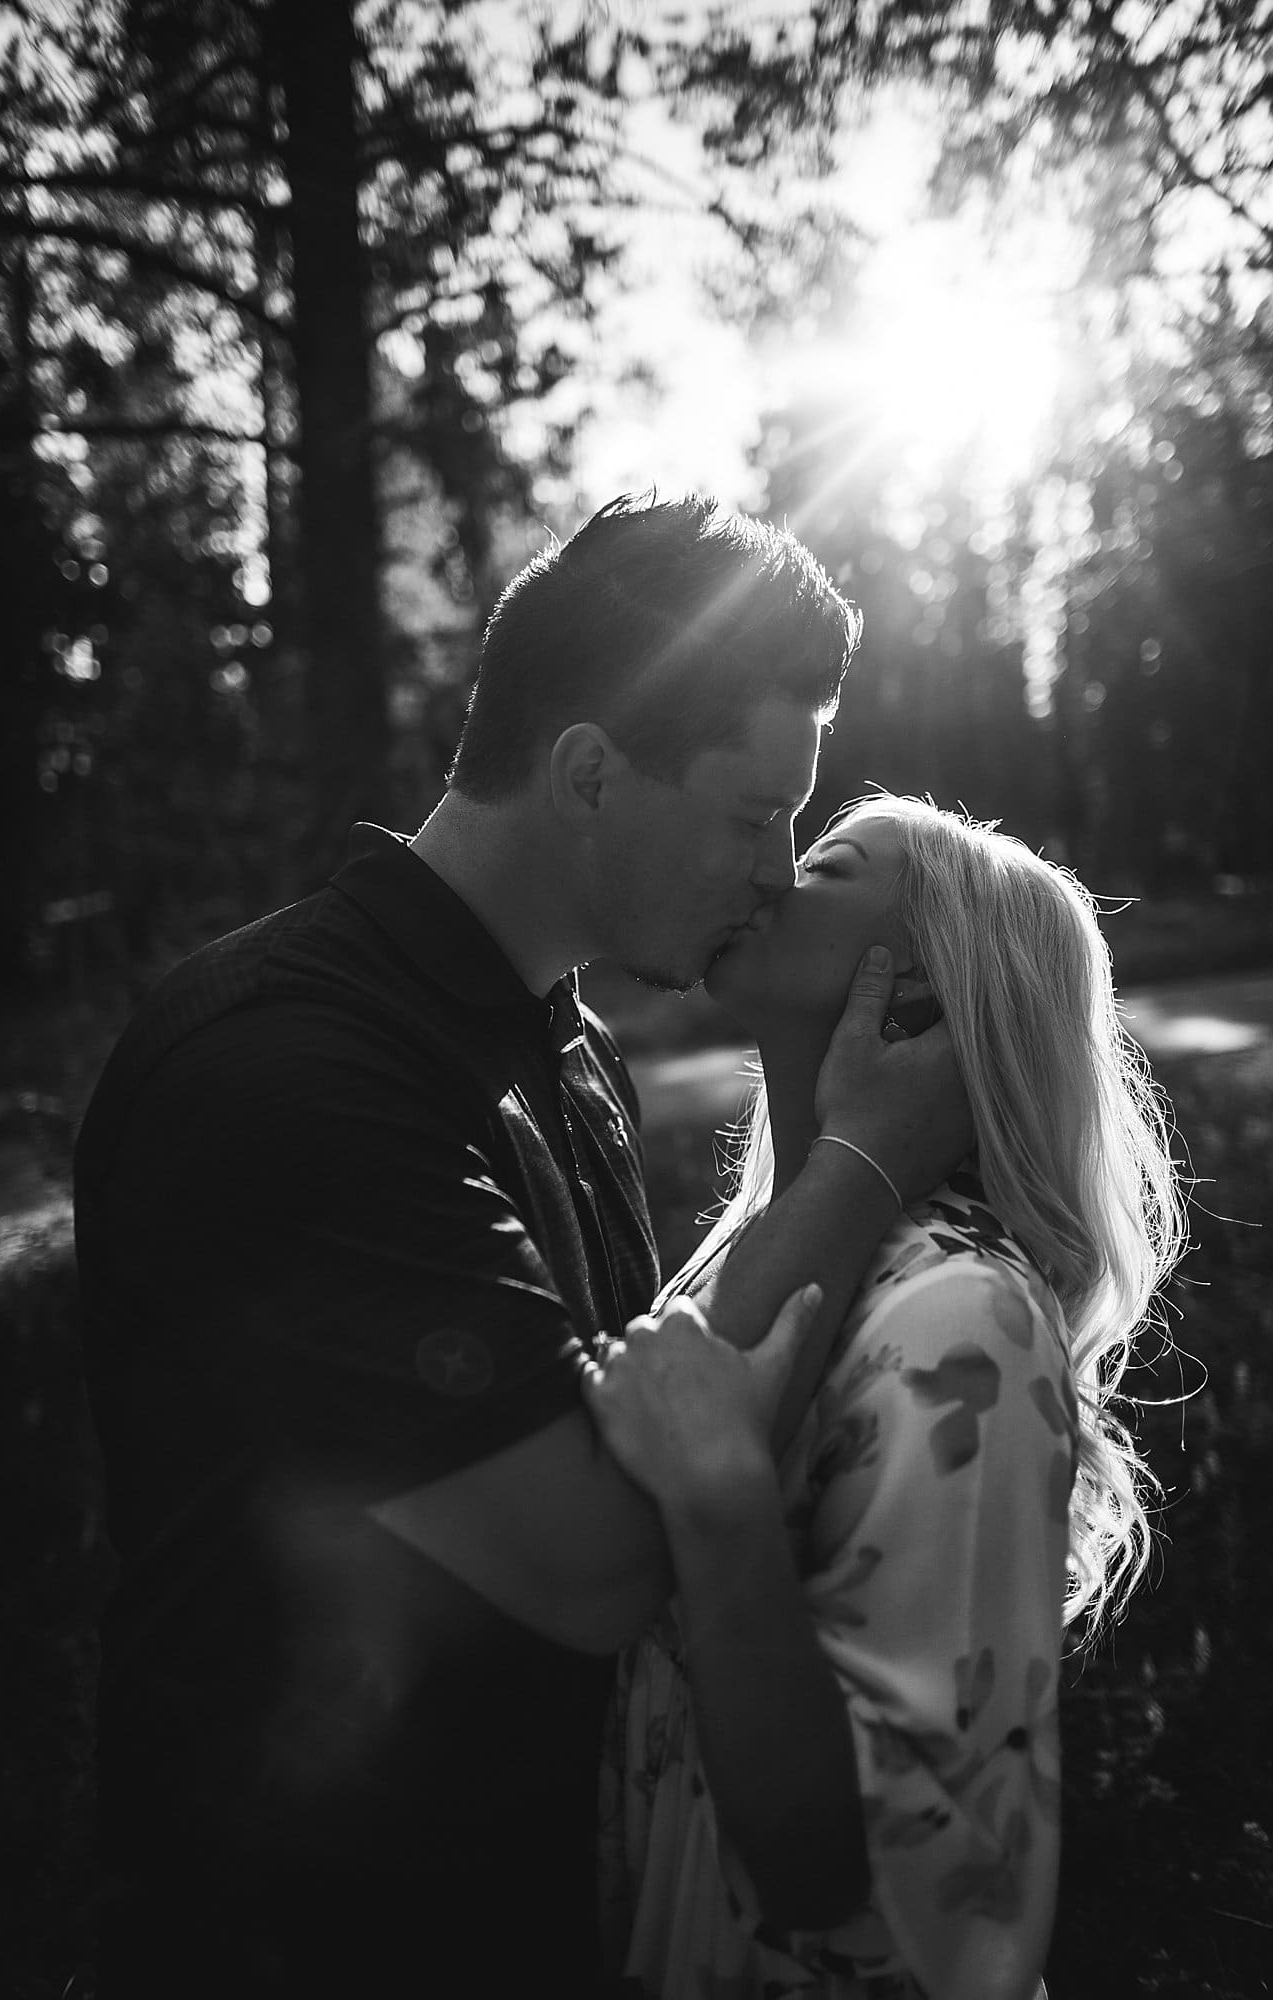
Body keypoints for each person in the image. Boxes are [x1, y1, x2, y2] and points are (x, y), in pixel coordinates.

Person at [73, 497, 970, 1998]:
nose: (777, 870)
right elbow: (606, 1556)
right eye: (754, 814)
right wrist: (869, 1161)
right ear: (587, 774)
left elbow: (657, 1408)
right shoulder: (288, 1076)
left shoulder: (558, 1047)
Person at [586, 793, 1187, 2000]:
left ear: (917, 987)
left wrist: (725, 1510)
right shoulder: (764, 1249)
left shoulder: (960, 1319)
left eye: (828, 863)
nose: (769, 871)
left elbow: (863, 1871)